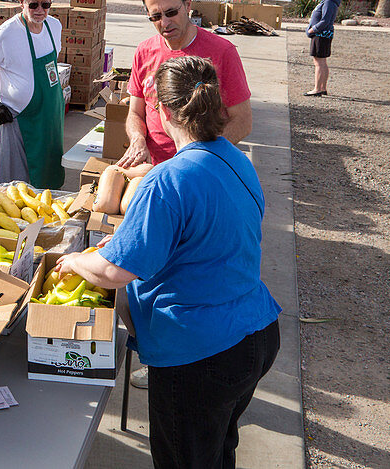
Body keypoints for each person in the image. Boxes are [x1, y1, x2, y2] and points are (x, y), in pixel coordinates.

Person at [53, 56, 281, 469]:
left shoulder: (167, 179)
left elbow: (114, 272)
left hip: (199, 354)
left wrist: (75, 260)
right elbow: (209, 235)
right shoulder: (237, 158)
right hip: (255, 334)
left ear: (162, 110)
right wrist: (131, 239)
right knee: (216, 451)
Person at [117, 0, 252, 168]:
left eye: (171, 12)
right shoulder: (144, 51)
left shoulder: (222, 52)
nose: (164, 23)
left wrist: (202, 156)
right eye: (155, 16)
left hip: (201, 169)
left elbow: (243, 121)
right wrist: (137, 139)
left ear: (187, 5)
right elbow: (135, 113)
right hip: (153, 168)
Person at [0, 0, 64, 189]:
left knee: (48, 178)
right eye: (33, 4)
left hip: (50, 117)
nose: (40, 10)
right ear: (21, 1)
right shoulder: (7, 33)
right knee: (15, 185)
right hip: (20, 118)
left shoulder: (54, 26)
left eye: (46, 4)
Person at [305, 0, 341, 97]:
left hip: (321, 35)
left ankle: (317, 89)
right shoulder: (327, 1)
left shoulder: (329, 2)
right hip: (322, 34)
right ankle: (322, 88)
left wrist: (312, 29)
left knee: (319, 62)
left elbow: (325, 20)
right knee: (321, 61)